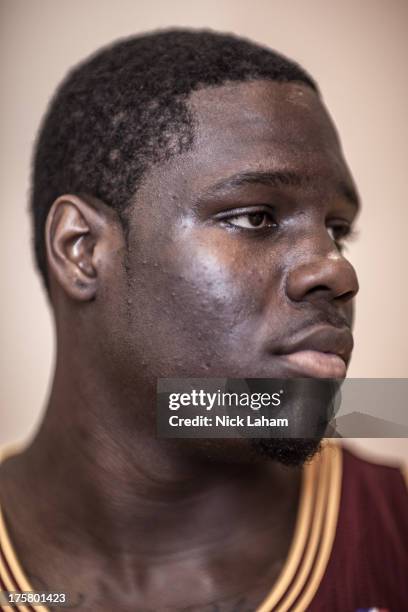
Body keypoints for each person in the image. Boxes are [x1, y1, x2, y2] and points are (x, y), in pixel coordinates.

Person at [0, 29, 406, 612]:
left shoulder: (392, 528)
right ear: (81, 249)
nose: (337, 272)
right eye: (255, 217)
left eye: (337, 230)